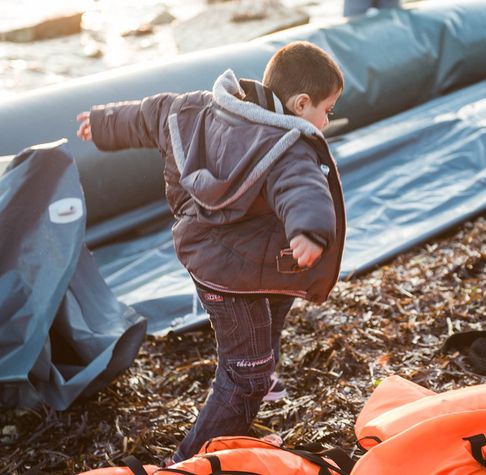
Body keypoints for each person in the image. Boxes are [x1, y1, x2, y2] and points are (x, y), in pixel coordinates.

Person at [76, 40, 345, 464]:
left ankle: (263, 371)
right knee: (245, 374)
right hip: (232, 274)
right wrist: (309, 231)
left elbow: (151, 114)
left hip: (217, 258)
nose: (326, 121)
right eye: (327, 110)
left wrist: (103, 123)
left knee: (275, 302)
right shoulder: (286, 146)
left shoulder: (197, 109)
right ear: (301, 103)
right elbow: (302, 186)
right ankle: (190, 460)